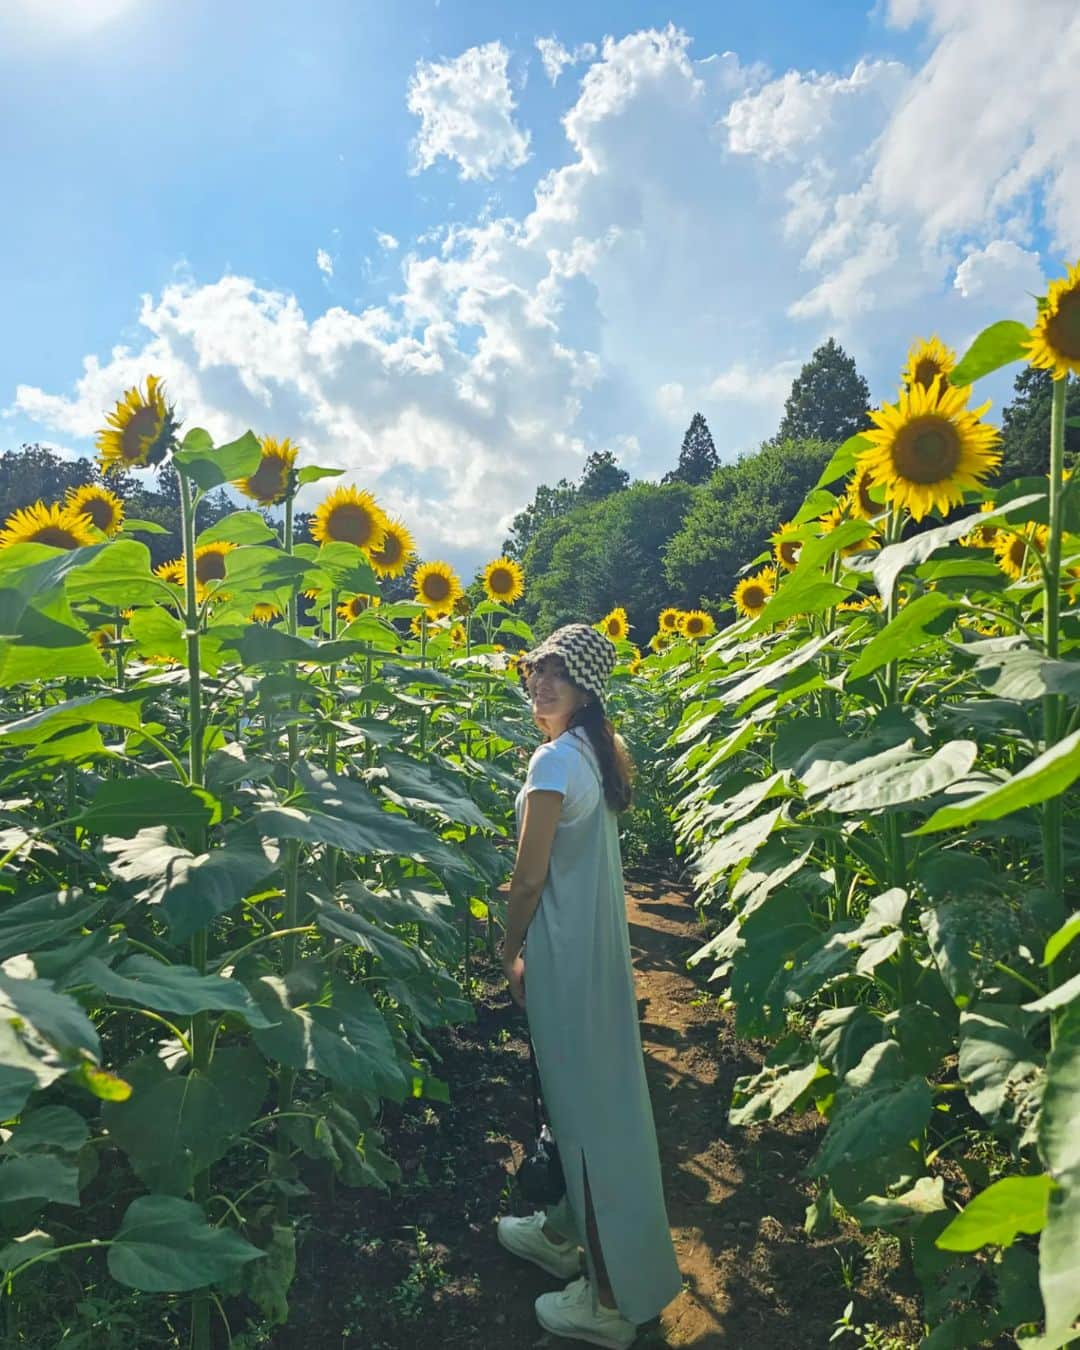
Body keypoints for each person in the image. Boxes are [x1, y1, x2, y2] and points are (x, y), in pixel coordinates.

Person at [495, 623, 682, 1349]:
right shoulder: (589, 756)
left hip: (563, 960)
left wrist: (510, 948)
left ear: (584, 689)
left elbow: (529, 878)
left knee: (586, 1121)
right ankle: (561, 1235)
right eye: (536, 672)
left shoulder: (552, 764)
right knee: (580, 1103)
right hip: (593, 956)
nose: (541, 686)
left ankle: (609, 1301)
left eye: (557, 676)